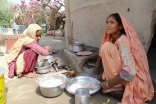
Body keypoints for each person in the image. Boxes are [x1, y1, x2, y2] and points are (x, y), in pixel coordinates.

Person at [94, 13, 154, 104]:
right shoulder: (114, 39)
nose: (108, 25)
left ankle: (119, 85)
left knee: (106, 47)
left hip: (131, 78)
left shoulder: (123, 41)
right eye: (107, 22)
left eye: (112, 22)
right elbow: (102, 51)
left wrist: (107, 84)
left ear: (120, 26)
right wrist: (98, 61)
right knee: (106, 46)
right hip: (123, 73)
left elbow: (130, 72)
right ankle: (119, 83)